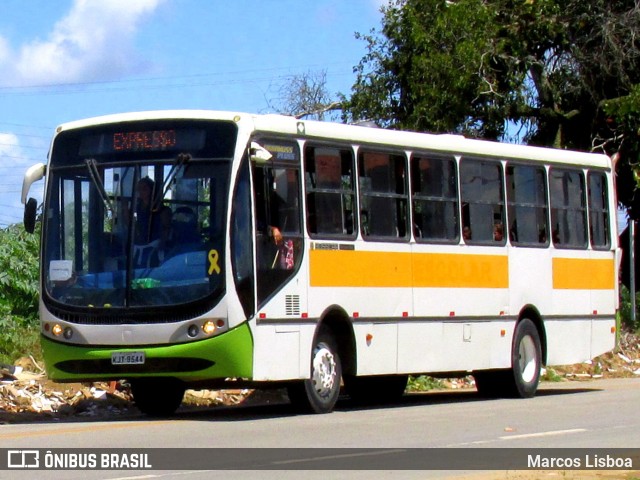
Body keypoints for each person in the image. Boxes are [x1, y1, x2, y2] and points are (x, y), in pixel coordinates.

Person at [132, 177, 171, 266]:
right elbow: (133, 225)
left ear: (152, 190)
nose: (141, 191)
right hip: (139, 245)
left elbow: (166, 229)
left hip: (155, 245)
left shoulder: (163, 210)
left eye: (144, 188)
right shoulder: (138, 207)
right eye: (138, 189)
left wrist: (161, 246)